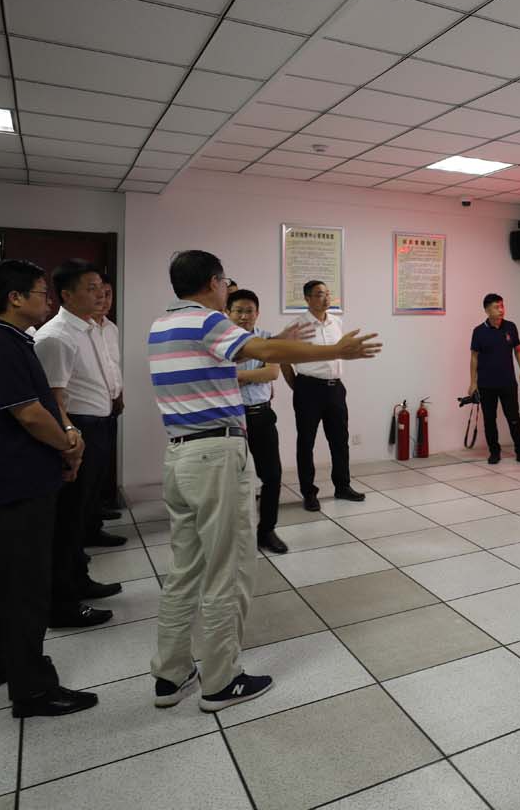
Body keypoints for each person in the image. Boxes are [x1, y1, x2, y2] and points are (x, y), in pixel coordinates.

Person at [149, 251, 381, 712]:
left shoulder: (163, 324)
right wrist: (336, 350)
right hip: (215, 455)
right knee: (227, 569)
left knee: (184, 569)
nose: (228, 291)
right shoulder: (207, 321)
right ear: (213, 282)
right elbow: (267, 354)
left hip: (180, 455)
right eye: (226, 284)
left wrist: (278, 341)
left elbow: (259, 350)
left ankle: (171, 674)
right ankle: (221, 681)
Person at [0, 258, 98, 718]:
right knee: (26, 584)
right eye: (42, 293)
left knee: (2, 574)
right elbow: (31, 414)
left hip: (16, 474)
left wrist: (65, 440)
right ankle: (32, 689)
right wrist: (67, 444)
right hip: (16, 479)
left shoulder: (11, 339)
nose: (48, 301)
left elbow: (42, 405)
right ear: (15, 298)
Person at [33, 260, 121, 629]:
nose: (100, 294)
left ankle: (78, 580)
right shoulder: (56, 337)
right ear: (66, 295)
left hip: (99, 425)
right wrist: (69, 439)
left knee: (82, 515)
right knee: (67, 520)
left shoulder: (91, 328)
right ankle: (62, 603)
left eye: (101, 286)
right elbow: (53, 398)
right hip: (76, 430)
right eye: (90, 288)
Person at [281, 280, 365, 511]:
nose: (326, 298)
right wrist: (298, 387)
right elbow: (284, 359)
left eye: (328, 293)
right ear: (307, 298)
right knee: (306, 442)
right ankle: (309, 493)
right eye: (319, 294)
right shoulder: (296, 326)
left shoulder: (336, 322)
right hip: (308, 388)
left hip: (335, 388)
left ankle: (343, 486)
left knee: (340, 440)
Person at [226, 289, 286, 553]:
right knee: (232, 481)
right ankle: (232, 535)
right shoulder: (221, 343)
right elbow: (220, 378)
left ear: (257, 313)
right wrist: (254, 373)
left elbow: (272, 373)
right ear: (227, 313)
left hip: (261, 415)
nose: (244, 316)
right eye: (238, 311)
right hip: (231, 419)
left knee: (272, 476)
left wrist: (238, 376)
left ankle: (267, 531)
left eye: (249, 311)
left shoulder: (266, 339)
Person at [468, 293, 520, 466]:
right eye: (496, 307)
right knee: (489, 420)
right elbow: (474, 357)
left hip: (507, 383)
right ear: (487, 310)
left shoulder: (510, 327)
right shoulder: (479, 332)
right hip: (486, 384)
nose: (501, 310)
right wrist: (473, 382)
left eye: (502, 306)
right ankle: (494, 452)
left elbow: (518, 350)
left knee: (514, 418)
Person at [90, 274, 124, 516]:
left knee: (102, 464)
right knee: (87, 469)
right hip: (86, 410)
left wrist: (119, 396)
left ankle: (96, 513)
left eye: (108, 294)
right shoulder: (80, 329)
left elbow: (113, 367)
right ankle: (87, 521)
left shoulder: (111, 328)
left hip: (110, 405)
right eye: (99, 293)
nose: (104, 299)